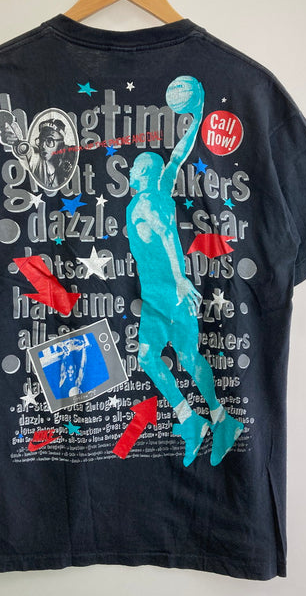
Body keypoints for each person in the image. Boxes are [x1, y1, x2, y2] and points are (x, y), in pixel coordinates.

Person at [126, 76, 244, 467]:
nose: (131, 172)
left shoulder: (146, 203)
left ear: (144, 176)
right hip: (160, 296)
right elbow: (178, 154)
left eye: (136, 169)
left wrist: (179, 279)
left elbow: (166, 238)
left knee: (166, 357)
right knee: (173, 357)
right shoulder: (160, 188)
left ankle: (207, 420)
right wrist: (198, 111)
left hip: (167, 295)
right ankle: (207, 419)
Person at [0, 112, 73, 189]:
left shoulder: (71, 157)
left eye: (49, 140)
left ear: (61, 144)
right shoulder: (38, 163)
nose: (43, 146)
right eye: (41, 140)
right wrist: (17, 142)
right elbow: (27, 151)